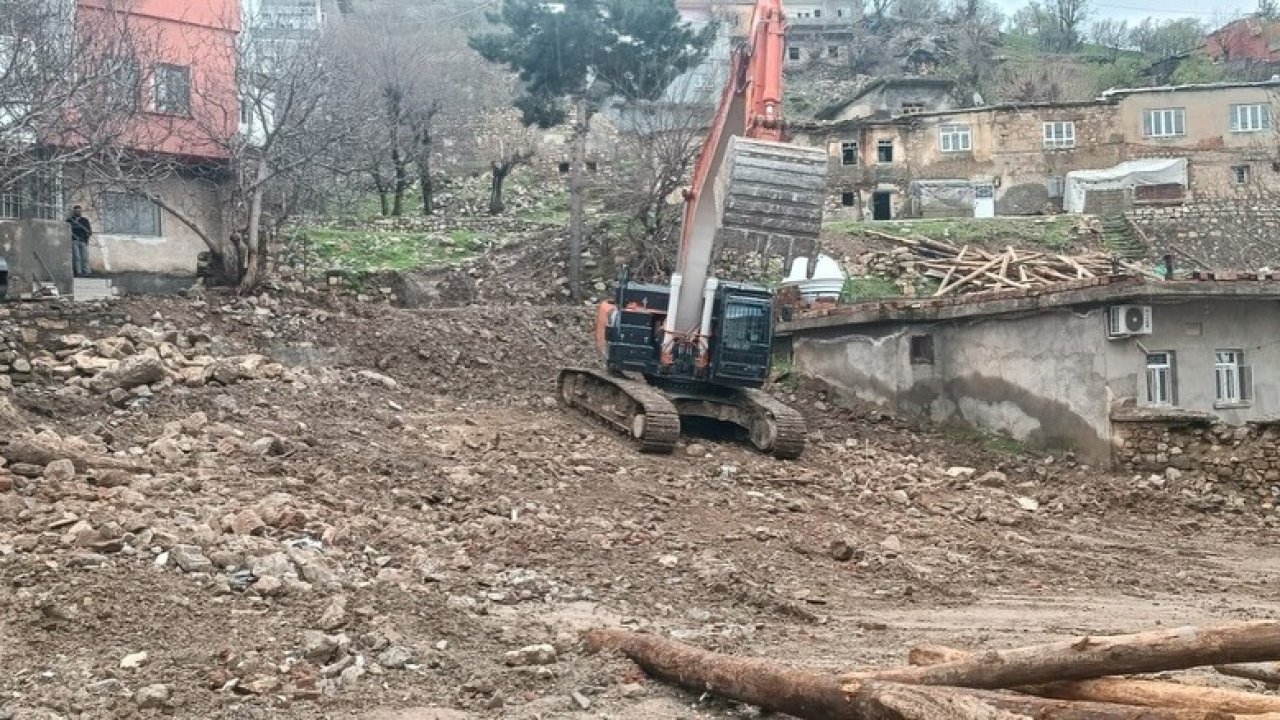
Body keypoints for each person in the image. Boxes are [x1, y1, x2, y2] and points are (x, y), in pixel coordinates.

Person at [66, 205, 92, 278]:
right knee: (76, 257)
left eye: (79, 211)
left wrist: (86, 238)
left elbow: (89, 231)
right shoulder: (70, 220)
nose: (78, 212)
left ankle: (87, 272)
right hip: (74, 240)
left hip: (83, 241)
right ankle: (79, 272)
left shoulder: (84, 220)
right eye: (76, 211)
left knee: (85, 257)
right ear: (74, 211)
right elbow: (67, 230)